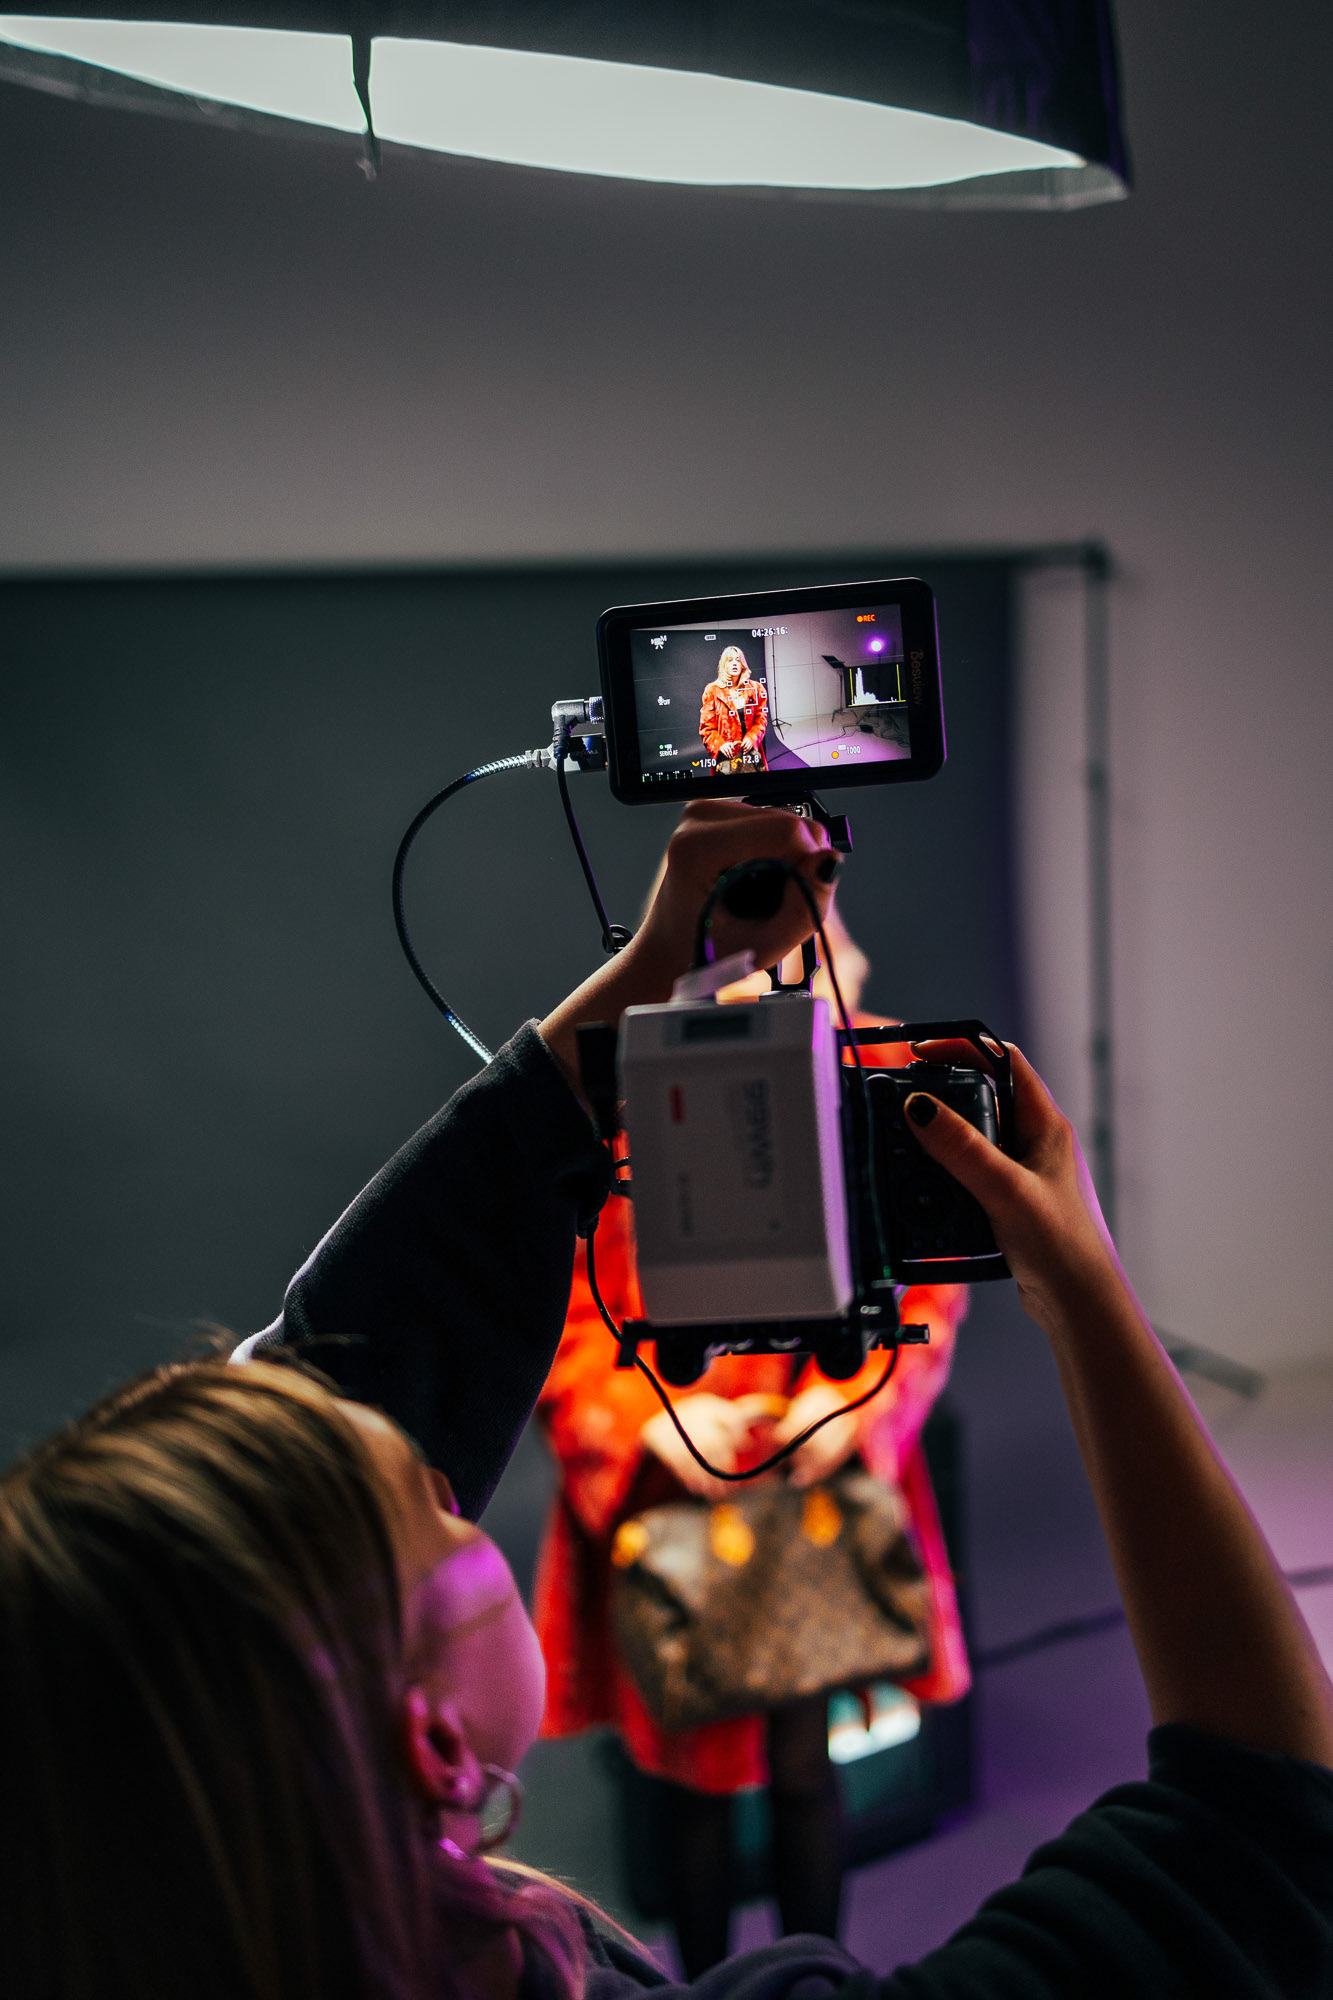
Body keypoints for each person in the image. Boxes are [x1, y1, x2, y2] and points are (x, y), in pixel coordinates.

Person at [3, 802, 1332, 2000]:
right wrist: (1086, 1289)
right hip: (666, 1517)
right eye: (435, 1508)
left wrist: (824, 1417)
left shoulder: (157, 1875)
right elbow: (1264, 1824)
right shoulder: (648, 1140)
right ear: (433, 1740)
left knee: (804, 1762)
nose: (443, 1464)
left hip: (811, 1499)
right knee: (690, 1776)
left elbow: (324, 1369)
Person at [533, 903, 969, 1974]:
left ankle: (813, 1979)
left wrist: (847, 1403)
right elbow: (565, 1309)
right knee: (684, 1773)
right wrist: (656, 1417)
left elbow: (925, 1280)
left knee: (805, 1758)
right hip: (676, 1493)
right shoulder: (628, 1089)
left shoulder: (878, 1069)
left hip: (805, 1477)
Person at [699, 645, 768, 772]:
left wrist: (751, 738)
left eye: (738, 660)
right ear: (724, 665)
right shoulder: (712, 691)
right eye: (730, 660)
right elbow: (707, 728)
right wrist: (720, 745)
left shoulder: (756, 689)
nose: (735, 663)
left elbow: (761, 720)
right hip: (727, 759)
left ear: (742, 665)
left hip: (750, 755)